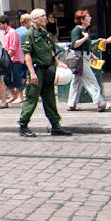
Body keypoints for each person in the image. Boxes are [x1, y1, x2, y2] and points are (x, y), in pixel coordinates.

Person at [19, 9, 72, 137]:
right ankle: (23, 125)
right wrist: (32, 73)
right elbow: (27, 56)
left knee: (49, 98)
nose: (45, 18)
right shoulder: (29, 34)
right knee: (31, 98)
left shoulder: (45, 34)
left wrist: (58, 62)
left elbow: (51, 50)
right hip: (36, 70)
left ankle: (56, 125)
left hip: (47, 69)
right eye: (43, 16)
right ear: (35, 19)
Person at [67, 10, 111, 112]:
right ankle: (100, 103)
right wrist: (85, 38)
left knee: (76, 82)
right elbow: (74, 45)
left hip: (83, 57)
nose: (90, 18)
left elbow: (84, 47)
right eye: (88, 17)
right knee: (91, 81)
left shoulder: (83, 30)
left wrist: (92, 55)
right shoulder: (77, 30)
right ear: (82, 20)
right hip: (80, 60)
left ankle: (71, 104)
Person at [0, 14, 25, 104]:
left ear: (5, 23)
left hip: (15, 59)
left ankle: (20, 96)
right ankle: (13, 95)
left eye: (0, 24)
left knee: (17, 77)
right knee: (7, 78)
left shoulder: (12, 32)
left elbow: (12, 48)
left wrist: (7, 59)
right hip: (8, 59)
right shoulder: (5, 33)